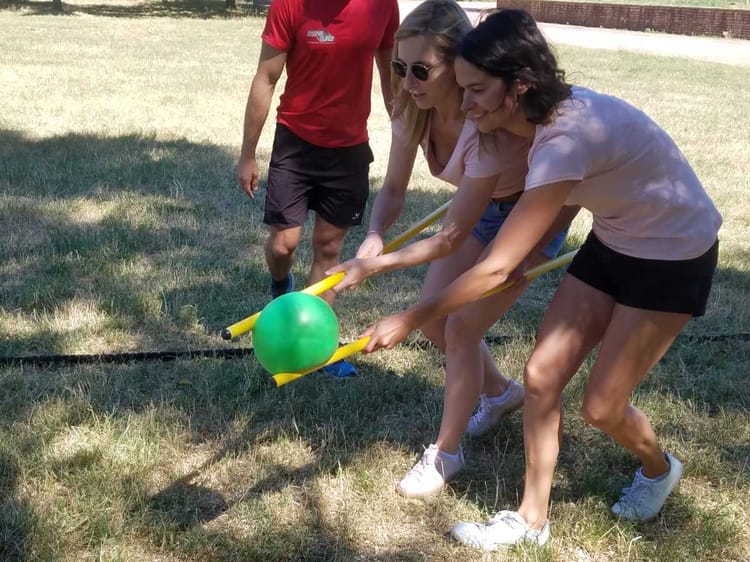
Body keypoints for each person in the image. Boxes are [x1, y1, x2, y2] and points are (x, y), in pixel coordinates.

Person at [342, 9, 722, 550]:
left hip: (675, 256)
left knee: (602, 407)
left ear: (518, 86)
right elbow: (573, 197)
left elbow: (496, 266)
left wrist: (412, 316)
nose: (467, 104)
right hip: (614, 241)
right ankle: (532, 520)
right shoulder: (539, 127)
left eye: (476, 91)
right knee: (542, 375)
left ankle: (659, 468)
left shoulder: (561, 141)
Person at [336, 0, 572, 498]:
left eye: (420, 69)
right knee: (439, 326)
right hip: (482, 209)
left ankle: (446, 452)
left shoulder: (482, 120)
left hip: (530, 212)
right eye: (399, 67)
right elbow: (395, 190)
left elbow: (449, 238)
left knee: (460, 326)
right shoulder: (411, 110)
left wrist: (377, 269)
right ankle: (500, 392)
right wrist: (376, 234)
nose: (407, 80)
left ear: (458, 64)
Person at [237, 0, 399, 378]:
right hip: (296, 142)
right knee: (283, 245)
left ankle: (321, 348)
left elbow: (392, 80)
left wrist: (411, 138)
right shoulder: (291, 4)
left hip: (349, 151)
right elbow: (266, 77)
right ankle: (282, 289)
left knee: (328, 250)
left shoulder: (381, 6)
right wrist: (247, 154)